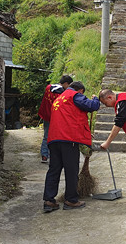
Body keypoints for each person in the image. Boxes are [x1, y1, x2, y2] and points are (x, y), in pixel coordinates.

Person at [43, 81, 100, 213]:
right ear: (80, 91)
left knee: (54, 170)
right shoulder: (74, 95)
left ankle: (49, 200)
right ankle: (71, 200)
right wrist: (95, 99)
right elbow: (92, 106)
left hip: (54, 139)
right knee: (71, 170)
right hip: (68, 139)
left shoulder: (59, 99)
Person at [38, 75, 73, 162]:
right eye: (69, 85)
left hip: (46, 115)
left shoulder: (48, 88)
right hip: (56, 118)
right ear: (65, 84)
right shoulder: (62, 93)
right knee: (54, 136)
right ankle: (53, 155)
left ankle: (44, 155)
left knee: (46, 135)